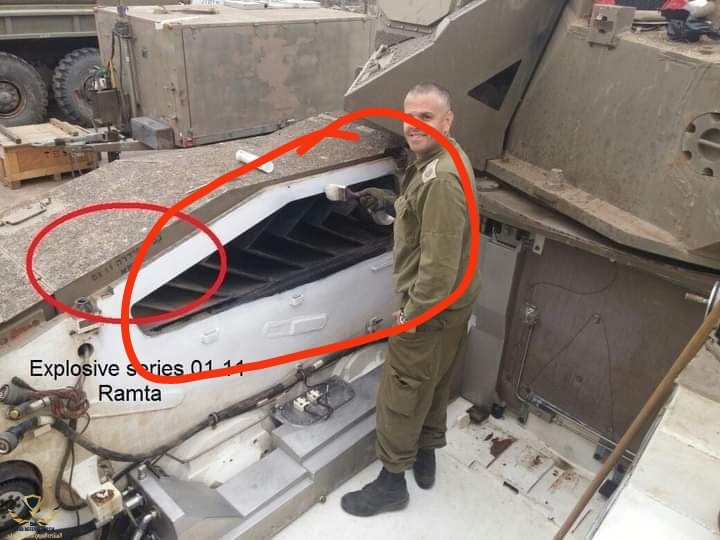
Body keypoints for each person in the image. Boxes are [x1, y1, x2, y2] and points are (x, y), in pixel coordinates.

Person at [340, 82, 482, 517]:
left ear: (447, 120)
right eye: (409, 116)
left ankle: (391, 484)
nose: (414, 126)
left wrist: (410, 316)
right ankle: (426, 452)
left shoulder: (440, 180)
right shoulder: (444, 158)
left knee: (401, 393)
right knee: (434, 382)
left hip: (430, 308)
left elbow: (437, 269)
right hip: (455, 305)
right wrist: (393, 202)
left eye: (426, 117)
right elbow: (428, 221)